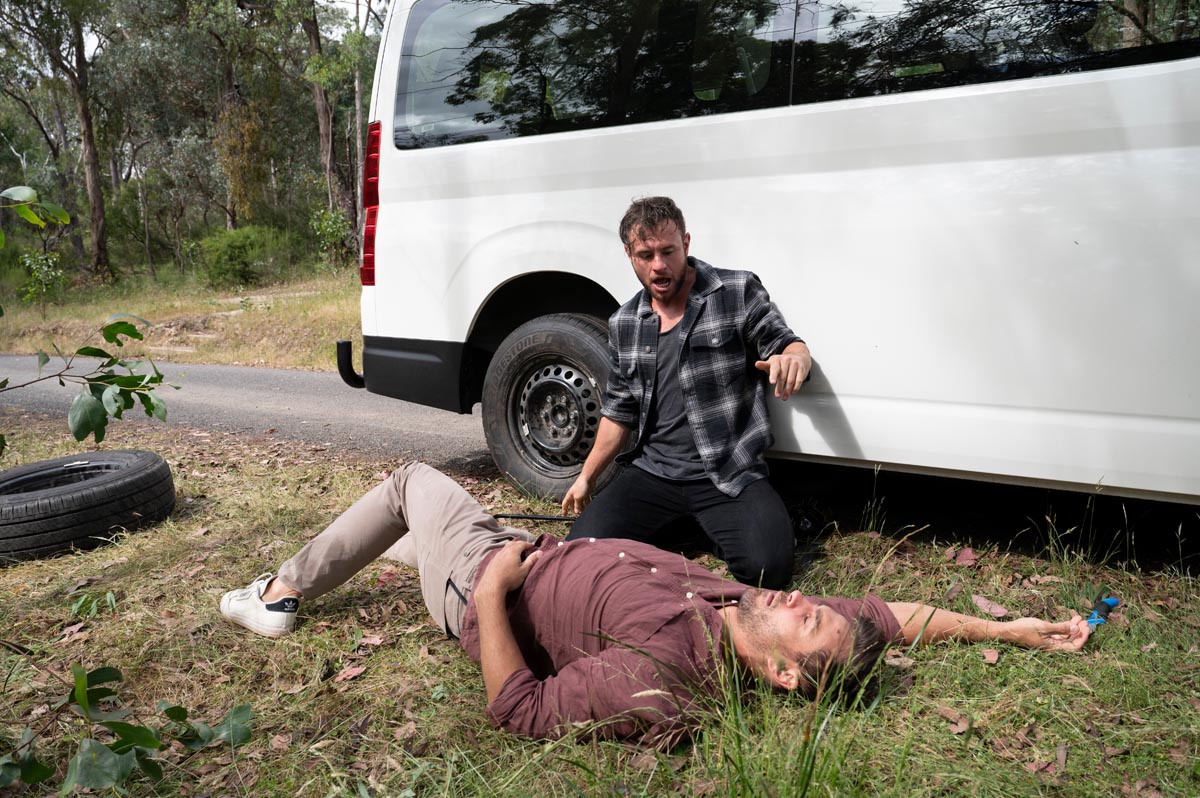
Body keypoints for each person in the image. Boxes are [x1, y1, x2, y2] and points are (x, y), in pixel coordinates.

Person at [221, 463, 1092, 746]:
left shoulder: (664, 674)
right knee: (422, 523)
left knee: (412, 481)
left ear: (786, 677)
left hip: (487, 581)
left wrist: (489, 592)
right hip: (533, 553)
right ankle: (407, 551)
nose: (802, 598)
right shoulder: (751, 610)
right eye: (812, 605)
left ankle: (278, 594)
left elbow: (519, 709)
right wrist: (1007, 628)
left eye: (808, 619)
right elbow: (895, 615)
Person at [561, 196, 811, 589]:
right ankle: (690, 528)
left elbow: (786, 343)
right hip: (652, 474)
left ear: (686, 243)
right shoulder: (625, 322)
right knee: (578, 554)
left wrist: (794, 359)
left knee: (769, 569)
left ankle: (703, 526)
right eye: (646, 255)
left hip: (727, 473)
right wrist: (586, 478)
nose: (658, 265)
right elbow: (618, 411)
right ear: (629, 254)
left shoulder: (735, 291)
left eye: (668, 251)